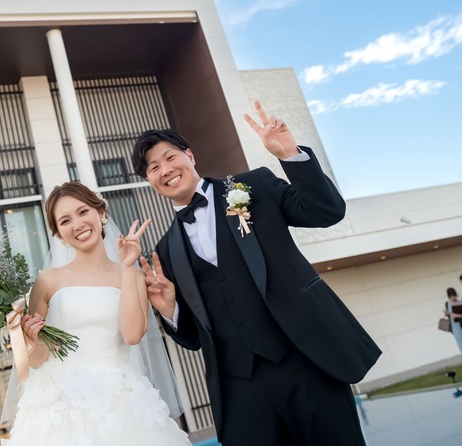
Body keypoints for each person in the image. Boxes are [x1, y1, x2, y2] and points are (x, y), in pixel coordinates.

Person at [132, 101, 380, 446]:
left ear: (190, 155)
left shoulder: (251, 187)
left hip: (306, 360)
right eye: (153, 167)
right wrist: (169, 310)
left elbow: (326, 212)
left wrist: (290, 154)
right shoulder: (164, 250)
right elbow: (192, 337)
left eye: (170, 157)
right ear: (149, 181)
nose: (165, 170)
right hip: (239, 388)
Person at [5, 181, 190, 446]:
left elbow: (132, 335)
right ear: (59, 235)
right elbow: (36, 361)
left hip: (119, 401)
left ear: (101, 213)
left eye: (83, 212)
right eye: (65, 221)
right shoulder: (47, 281)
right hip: (60, 407)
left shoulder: (133, 274)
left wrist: (127, 267)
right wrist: (35, 341)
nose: (77, 224)